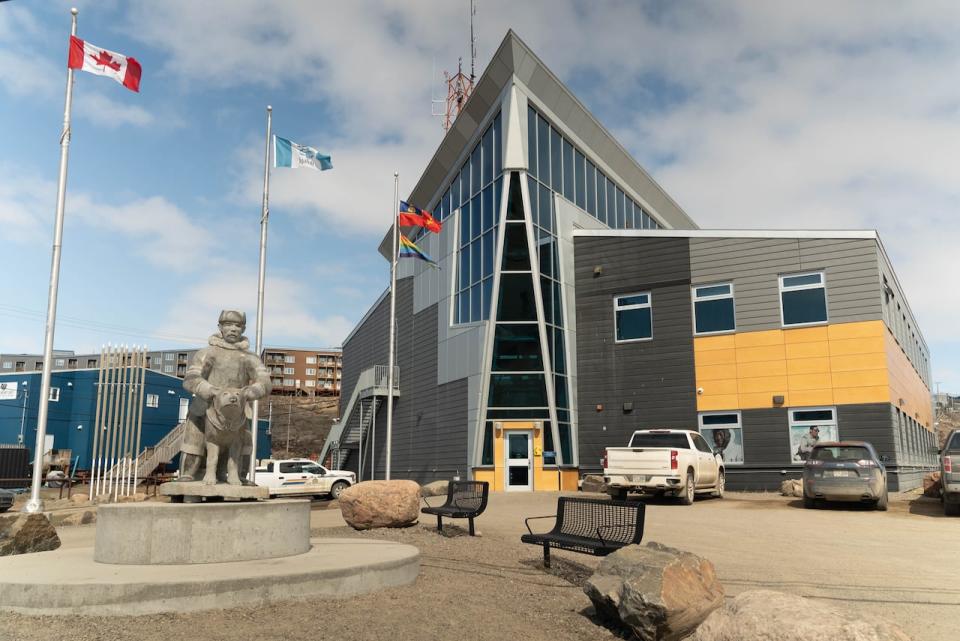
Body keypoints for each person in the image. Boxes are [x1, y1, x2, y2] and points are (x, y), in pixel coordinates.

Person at [177, 310, 271, 484]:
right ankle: (188, 473)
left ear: (243, 329)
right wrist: (210, 390)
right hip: (205, 406)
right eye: (228, 325)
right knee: (194, 439)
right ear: (220, 327)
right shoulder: (207, 353)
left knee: (244, 442)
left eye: (237, 325)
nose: (233, 329)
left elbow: (265, 380)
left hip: (237, 409)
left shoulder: (249, 357)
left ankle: (239, 476)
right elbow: (191, 378)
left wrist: (252, 391)